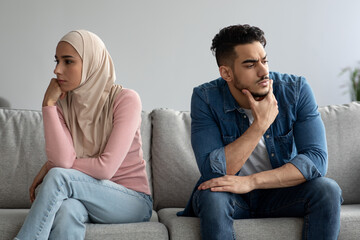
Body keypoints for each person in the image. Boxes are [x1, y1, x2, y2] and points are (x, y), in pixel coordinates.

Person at [178, 24, 343, 239]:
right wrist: (260, 125)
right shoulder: (206, 98)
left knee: (327, 190)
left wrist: (251, 181)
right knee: (212, 195)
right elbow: (213, 171)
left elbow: (316, 161)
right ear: (226, 72)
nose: (263, 71)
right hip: (230, 197)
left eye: (264, 60)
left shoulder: (296, 90)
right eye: (250, 65)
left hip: (282, 194)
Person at [15, 30, 152, 239]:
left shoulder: (126, 99)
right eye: (57, 61)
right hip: (87, 199)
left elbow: (105, 168)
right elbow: (62, 159)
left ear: (91, 63)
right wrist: (48, 105)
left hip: (132, 201)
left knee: (59, 177)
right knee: (67, 211)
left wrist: (52, 166)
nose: (57, 69)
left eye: (68, 61)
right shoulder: (61, 105)